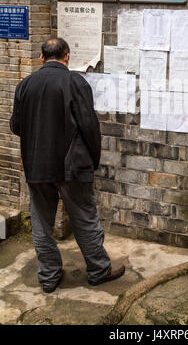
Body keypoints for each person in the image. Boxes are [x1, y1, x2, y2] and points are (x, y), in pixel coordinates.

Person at [10, 37, 125, 293]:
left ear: (41, 58)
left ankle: (49, 276)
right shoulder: (75, 82)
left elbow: (16, 126)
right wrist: (92, 160)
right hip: (73, 166)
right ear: (67, 56)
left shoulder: (25, 85)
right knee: (84, 218)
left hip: (36, 166)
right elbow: (89, 126)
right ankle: (98, 270)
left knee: (41, 223)